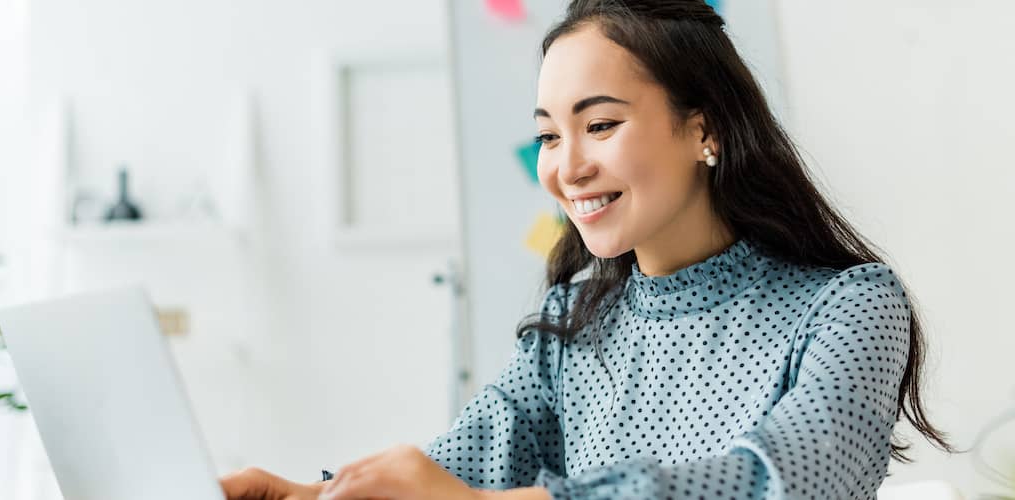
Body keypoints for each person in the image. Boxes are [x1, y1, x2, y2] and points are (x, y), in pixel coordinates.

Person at [220, 0, 954, 498]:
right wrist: (310, 492)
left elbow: (778, 481)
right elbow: (454, 471)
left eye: (599, 125)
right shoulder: (574, 321)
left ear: (705, 130)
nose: (565, 167)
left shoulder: (850, 305)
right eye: (547, 135)